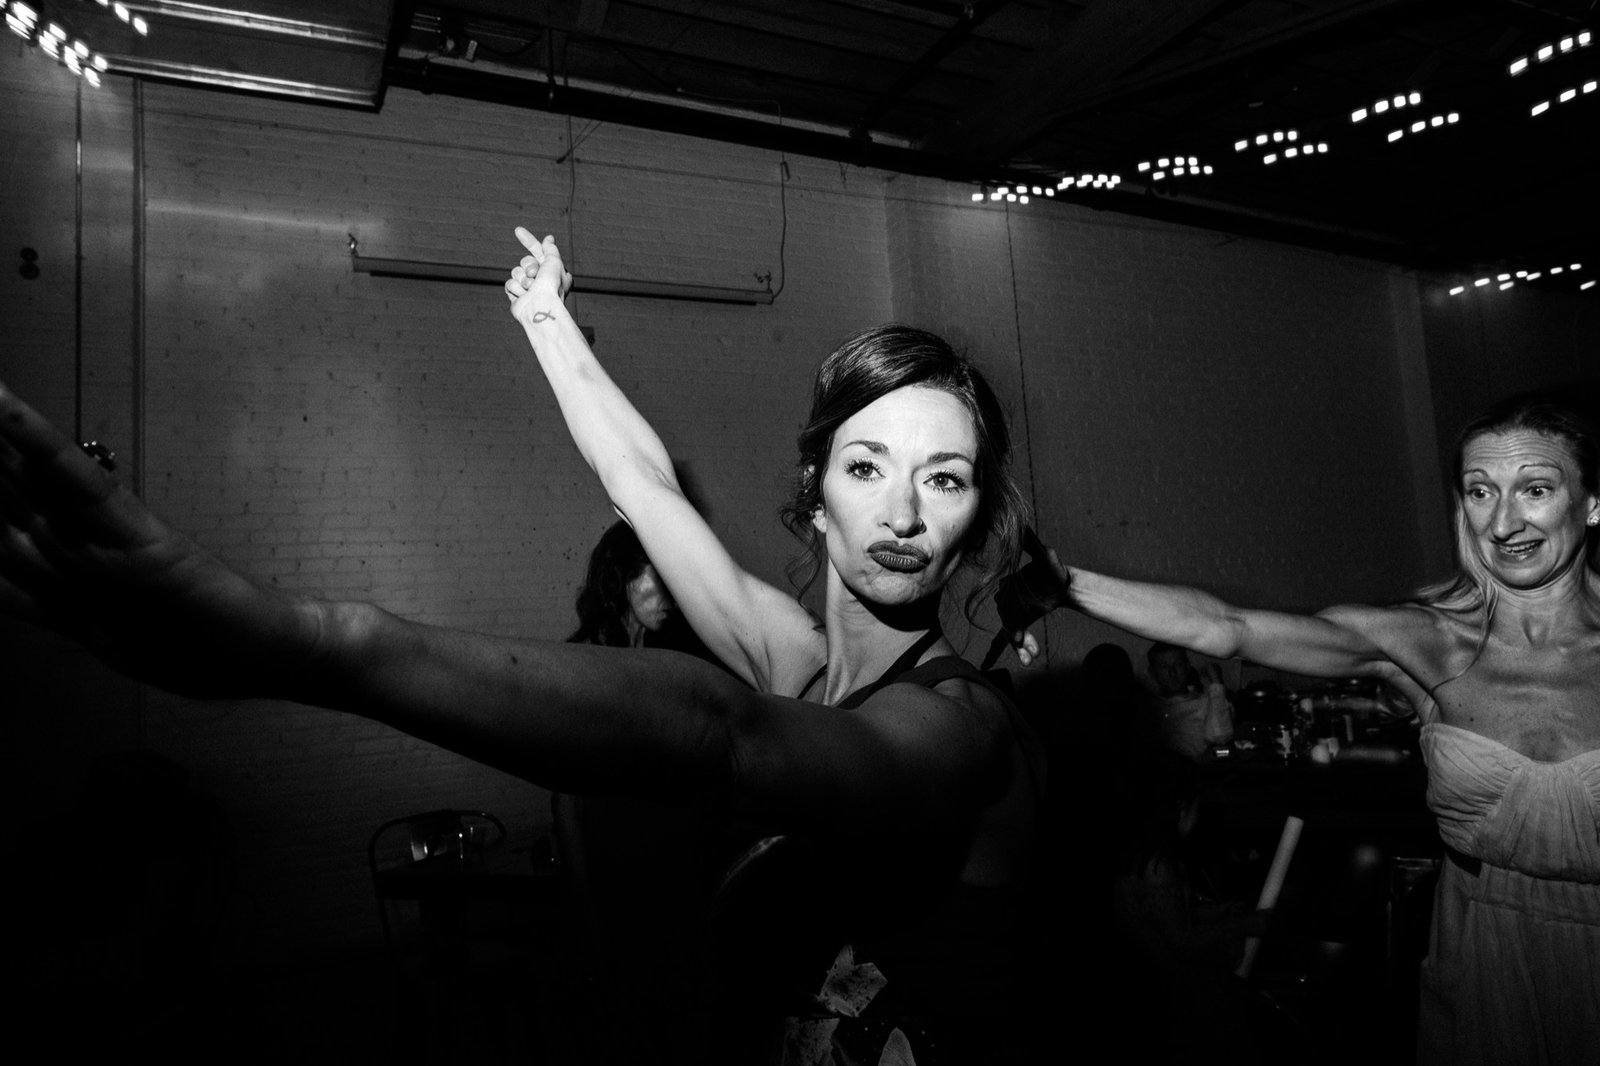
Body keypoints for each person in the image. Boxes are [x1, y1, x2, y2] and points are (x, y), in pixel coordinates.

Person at [0, 229, 1042, 1064]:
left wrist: (310, 644)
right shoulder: (794, 657)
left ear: (975, 516)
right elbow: (642, 484)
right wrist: (546, 317)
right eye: (867, 466)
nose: (903, 511)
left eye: (944, 479)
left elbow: (728, 739)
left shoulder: (964, 726)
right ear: (815, 493)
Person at [996, 389, 1600, 1066]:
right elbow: (1228, 627)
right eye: (1481, 492)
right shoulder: (1432, 642)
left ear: (1592, 502)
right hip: (1485, 964)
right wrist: (1065, 585)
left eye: (1536, 489)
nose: (1505, 521)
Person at [1146, 641, 1235, 762]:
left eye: (1178, 665)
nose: (1172, 673)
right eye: (1164, 667)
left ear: (1187, 667)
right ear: (1152, 672)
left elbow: (1221, 737)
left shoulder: (1205, 703)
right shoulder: (1145, 706)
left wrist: (1216, 684)